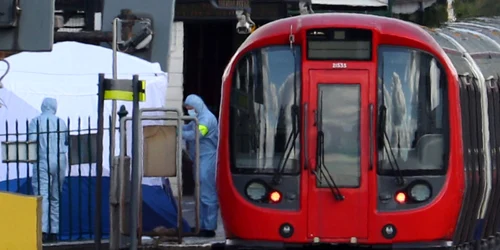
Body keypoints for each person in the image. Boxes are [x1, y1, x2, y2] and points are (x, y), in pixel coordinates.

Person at [28, 98, 68, 243]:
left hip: (42, 158)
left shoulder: (35, 121)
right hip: (60, 159)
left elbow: (31, 141)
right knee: (55, 196)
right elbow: (66, 141)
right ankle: (54, 231)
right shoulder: (61, 122)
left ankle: (43, 230)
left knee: (42, 195)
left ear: (43, 105)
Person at [182, 94, 219, 238]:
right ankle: (201, 225)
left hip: (207, 160)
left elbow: (197, 134)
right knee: (199, 194)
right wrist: (178, 126)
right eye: (187, 109)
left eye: (191, 108)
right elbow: (188, 128)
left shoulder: (207, 119)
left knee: (207, 194)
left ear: (197, 106)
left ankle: (209, 227)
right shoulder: (198, 117)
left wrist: (179, 131)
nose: (189, 111)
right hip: (199, 159)